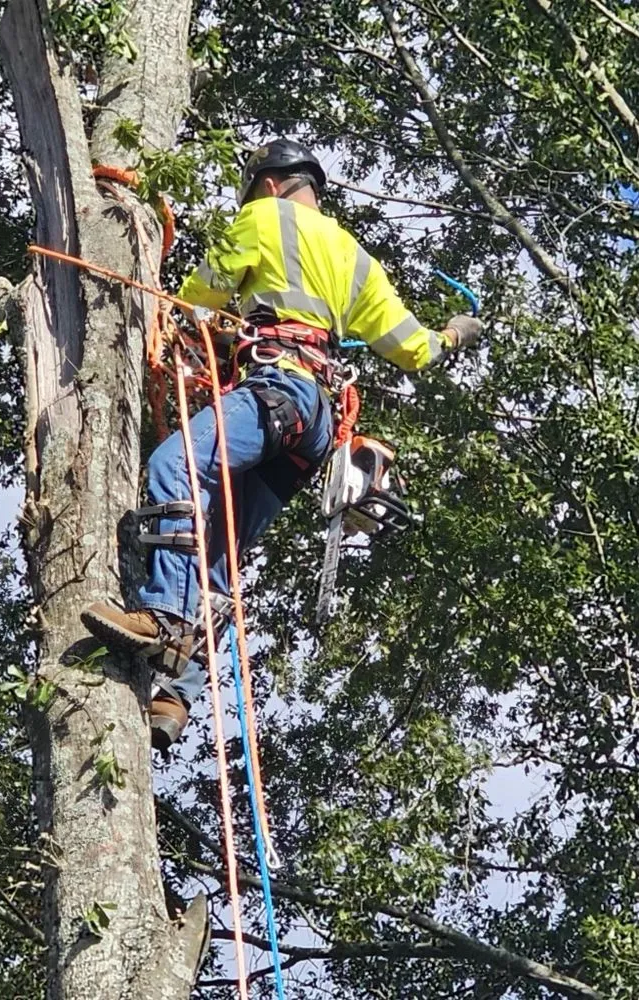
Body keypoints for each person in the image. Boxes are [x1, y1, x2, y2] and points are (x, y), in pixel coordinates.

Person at [81, 139, 483, 749]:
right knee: (221, 550)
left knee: (177, 463)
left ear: (268, 185)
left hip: (279, 386)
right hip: (315, 426)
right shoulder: (356, 259)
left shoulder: (262, 216)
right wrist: (454, 333)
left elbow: (198, 296)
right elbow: (414, 348)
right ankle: (176, 693)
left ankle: (163, 616)